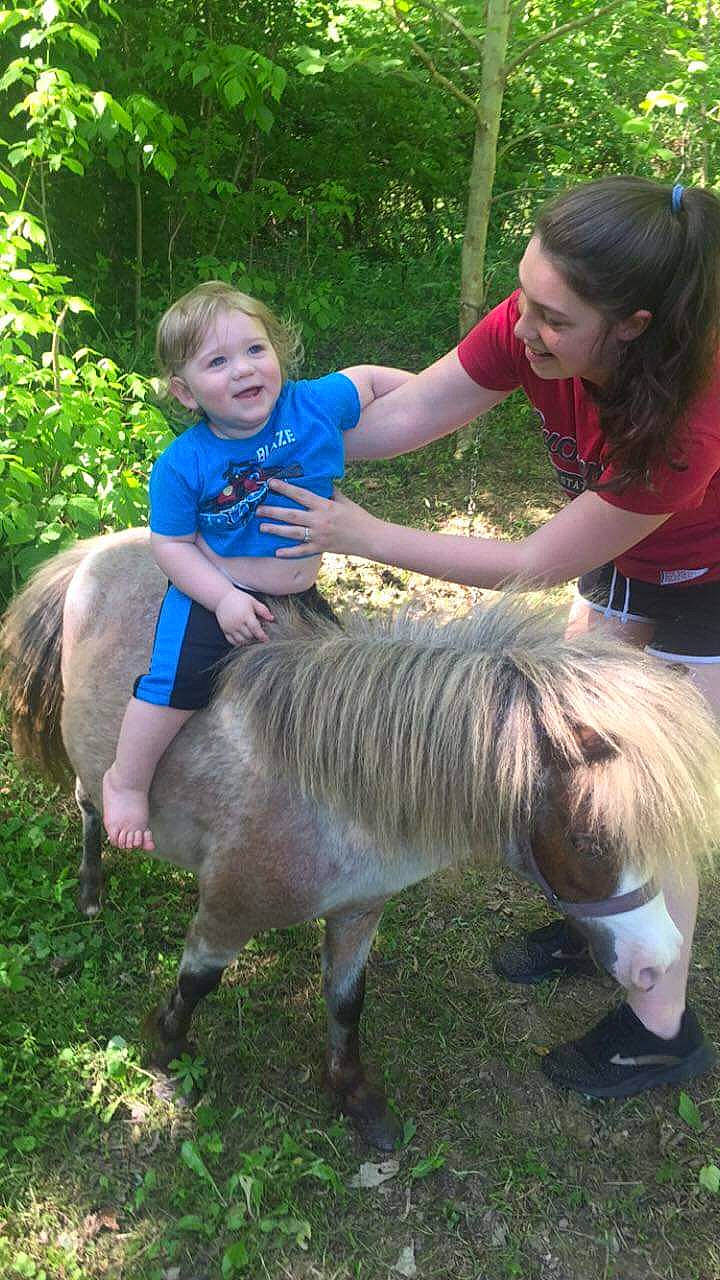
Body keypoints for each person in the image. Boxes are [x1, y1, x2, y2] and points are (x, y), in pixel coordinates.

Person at [255, 176, 720, 1099]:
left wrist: (365, 537)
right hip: (624, 554)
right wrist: (262, 433)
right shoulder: (534, 326)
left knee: (653, 795)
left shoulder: (689, 420)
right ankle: (599, 906)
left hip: (709, 582)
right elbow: (411, 413)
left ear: (630, 325)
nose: (525, 327)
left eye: (553, 318)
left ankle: (659, 1028)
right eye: (526, 296)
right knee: (580, 754)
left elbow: (538, 559)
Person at [102, 280, 412, 852]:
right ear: (185, 392)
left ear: (277, 354)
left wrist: (422, 394)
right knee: (172, 687)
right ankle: (125, 781)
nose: (243, 369)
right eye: (217, 361)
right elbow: (171, 546)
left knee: (343, 681)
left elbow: (367, 380)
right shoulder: (183, 464)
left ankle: (343, 790)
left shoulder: (310, 405)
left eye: (254, 350)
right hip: (214, 590)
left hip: (298, 593)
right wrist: (222, 598)